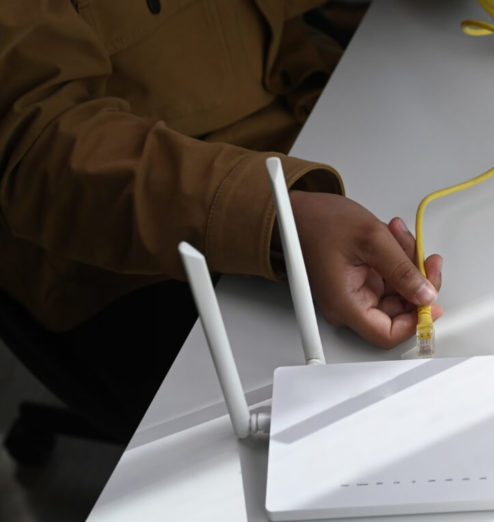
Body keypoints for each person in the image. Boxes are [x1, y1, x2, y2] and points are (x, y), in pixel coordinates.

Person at [0, 0, 442, 441]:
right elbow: (38, 141)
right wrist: (275, 218)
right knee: (349, 442)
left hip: (309, 120)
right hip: (132, 251)